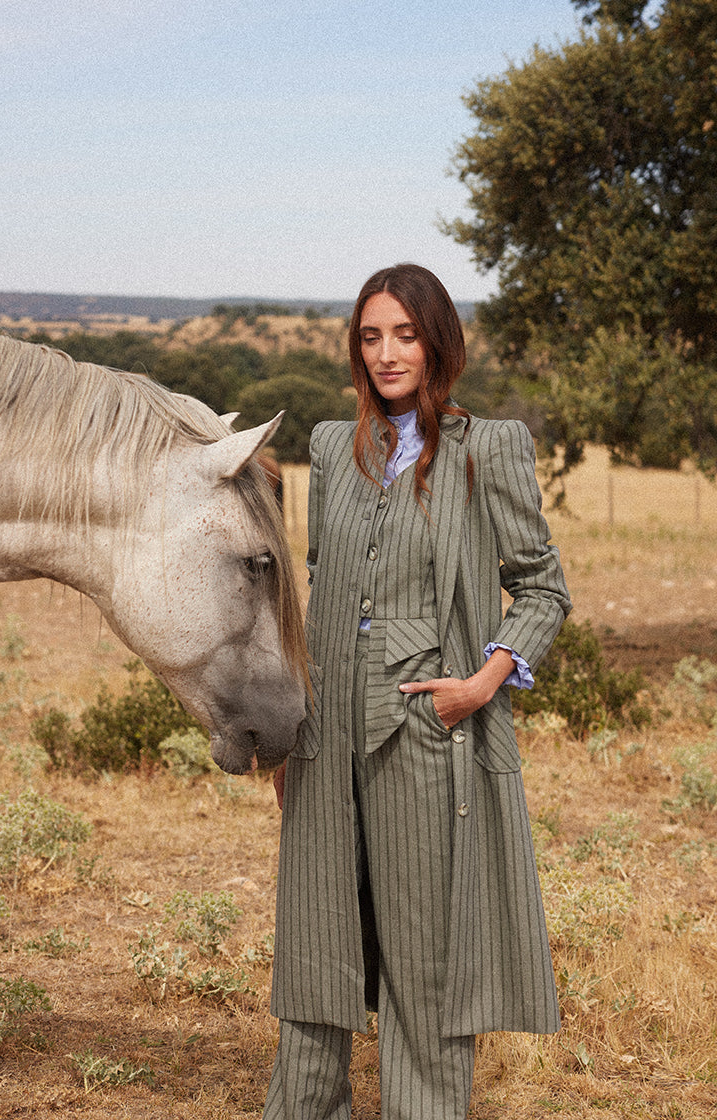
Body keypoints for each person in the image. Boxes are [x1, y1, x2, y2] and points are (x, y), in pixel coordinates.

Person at [264, 264, 571, 1120]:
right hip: (326, 733)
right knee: (316, 949)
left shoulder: (489, 448)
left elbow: (544, 589)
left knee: (424, 962)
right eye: (371, 336)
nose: (387, 352)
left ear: (439, 342)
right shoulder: (333, 446)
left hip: (427, 732)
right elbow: (323, 585)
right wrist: (293, 732)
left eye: (404, 333)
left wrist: (479, 685)